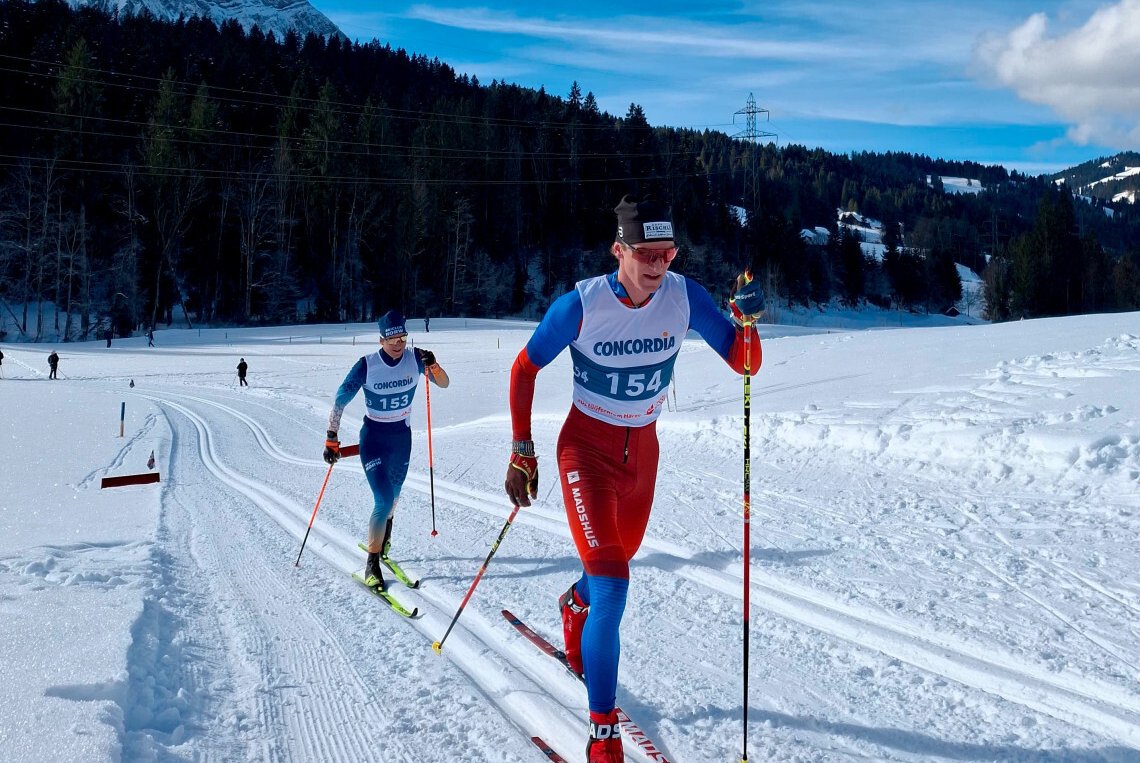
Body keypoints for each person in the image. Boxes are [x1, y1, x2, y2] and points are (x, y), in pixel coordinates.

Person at [503, 194, 765, 763]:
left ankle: (576, 606)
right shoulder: (580, 305)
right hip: (586, 453)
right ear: (618, 249)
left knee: (608, 574)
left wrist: (747, 323)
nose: (656, 265)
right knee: (616, 588)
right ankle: (602, 735)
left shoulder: (684, 296)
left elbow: (744, 362)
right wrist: (522, 449)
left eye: (666, 254)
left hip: (642, 456)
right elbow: (524, 369)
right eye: (644, 253)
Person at [324, 310, 450, 589]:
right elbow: (341, 398)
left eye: (402, 338)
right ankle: (372, 562)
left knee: (393, 498)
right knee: (382, 500)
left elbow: (443, 383)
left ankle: (385, 539)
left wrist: (435, 365)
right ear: (381, 340)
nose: (398, 344)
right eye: (392, 339)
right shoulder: (367, 365)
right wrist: (331, 435)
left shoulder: (415, 359)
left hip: (401, 440)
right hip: (374, 439)